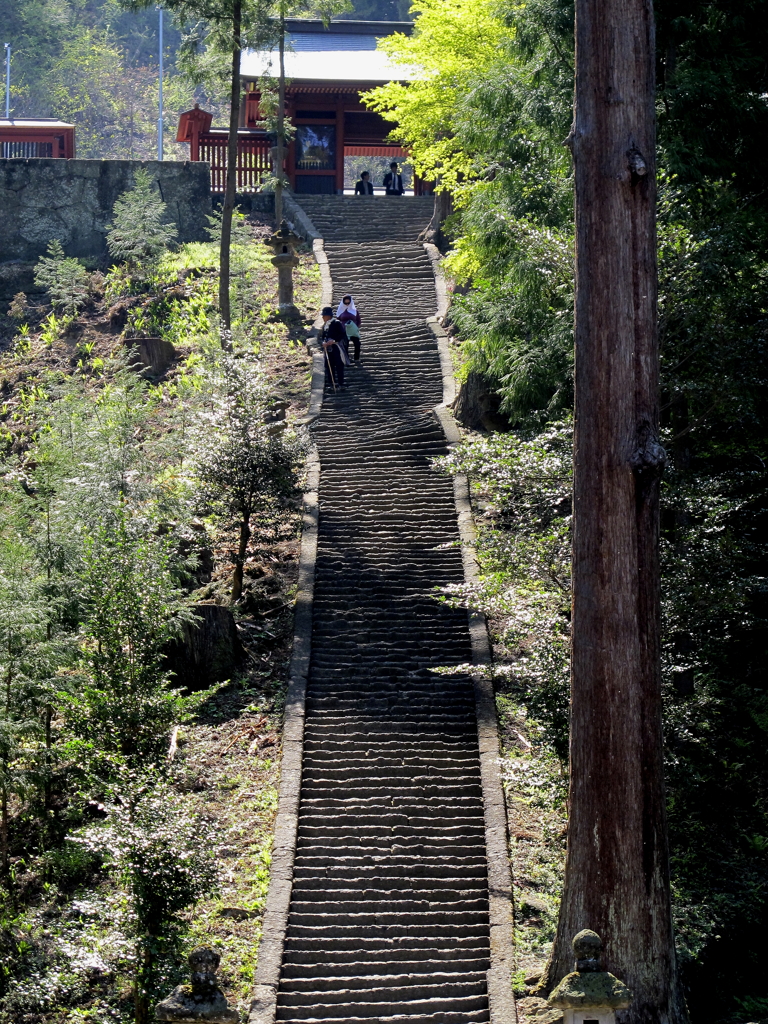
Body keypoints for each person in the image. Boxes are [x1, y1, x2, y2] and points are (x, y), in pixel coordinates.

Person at [320, 305, 347, 388]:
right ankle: (331, 383)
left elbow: (342, 334)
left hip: (336, 347)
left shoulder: (337, 323)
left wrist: (334, 340)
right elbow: (323, 337)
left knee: (339, 365)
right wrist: (323, 342)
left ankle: (341, 383)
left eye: (324, 316)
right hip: (328, 348)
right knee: (329, 365)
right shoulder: (325, 325)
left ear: (328, 316)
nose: (323, 318)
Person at [336, 294, 362, 362]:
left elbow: (359, 320)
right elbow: (338, 320)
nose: (347, 304)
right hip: (344, 330)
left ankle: (356, 358)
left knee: (357, 344)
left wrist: (356, 327)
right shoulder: (340, 310)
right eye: (345, 303)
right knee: (345, 345)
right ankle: (346, 359)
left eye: (348, 303)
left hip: (353, 331)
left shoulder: (355, 310)